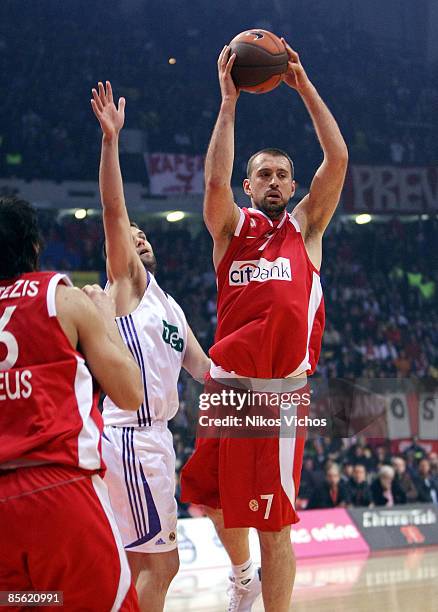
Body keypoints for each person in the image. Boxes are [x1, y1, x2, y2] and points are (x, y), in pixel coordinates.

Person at [181, 39, 348, 612]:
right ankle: (241, 576)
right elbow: (210, 185)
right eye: (263, 175)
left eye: (282, 174)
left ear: (293, 186)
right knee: (209, 499)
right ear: (248, 187)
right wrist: (228, 102)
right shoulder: (230, 231)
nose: (274, 181)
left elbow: (339, 159)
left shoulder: (307, 230)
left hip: (278, 396)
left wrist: (303, 86)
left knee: (275, 524)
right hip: (227, 386)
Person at [91, 81, 210, 612]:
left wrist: (271, 386)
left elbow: (207, 370)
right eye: (129, 238)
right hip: (131, 437)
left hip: (155, 442)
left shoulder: (171, 306)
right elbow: (115, 208)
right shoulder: (127, 285)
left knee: (145, 566)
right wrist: (112, 142)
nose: (138, 239)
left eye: (144, 235)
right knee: (159, 565)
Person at [0, 196, 143, 610]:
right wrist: (104, 318)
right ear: (34, 249)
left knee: (33, 601)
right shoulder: (60, 298)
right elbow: (130, 392)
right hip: (58, 495)